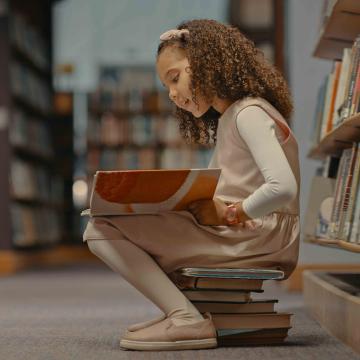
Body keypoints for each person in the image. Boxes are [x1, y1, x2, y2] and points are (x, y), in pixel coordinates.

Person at [83, 19, 300, 351]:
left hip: (258, 233)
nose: (173, 94)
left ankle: (185, 317)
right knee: (111, 223)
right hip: (249, 227)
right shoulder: (235, 115)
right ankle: (183, 312)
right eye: (166, 88)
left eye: (175, 78)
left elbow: (283, 187)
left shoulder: (249, 114)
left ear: (207, 63)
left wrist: (232, 213)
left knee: (101, 230)